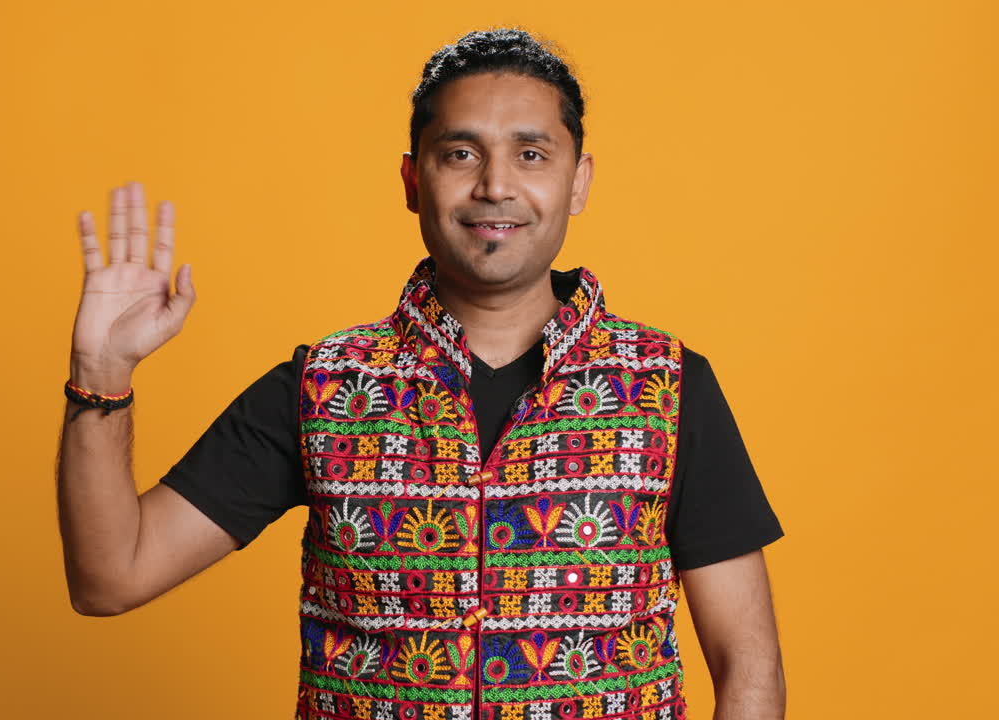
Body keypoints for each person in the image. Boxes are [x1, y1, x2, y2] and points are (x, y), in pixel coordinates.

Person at [57, 28, 785, 720]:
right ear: (413, 178)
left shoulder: (666, 386)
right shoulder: (323, 390)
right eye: (460, 154)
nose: (495, 185)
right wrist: (101, 370)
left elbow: (747, 661)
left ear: (578, 181)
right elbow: (109, 576)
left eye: (532, 154)